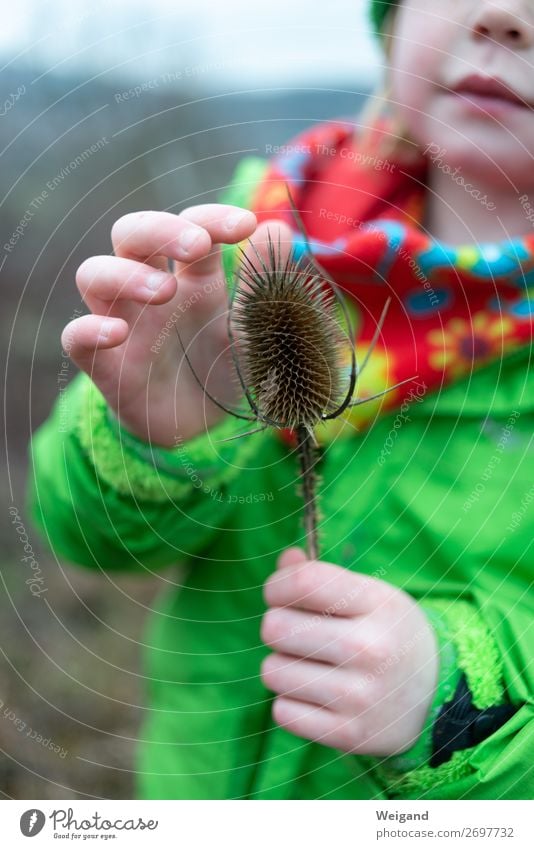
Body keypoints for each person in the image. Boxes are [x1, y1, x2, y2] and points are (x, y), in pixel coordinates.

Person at [27, 0, 533, 800]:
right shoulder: (250, 245)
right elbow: (88, 539)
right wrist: (151, 443)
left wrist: (459, 698)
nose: (504, 16)